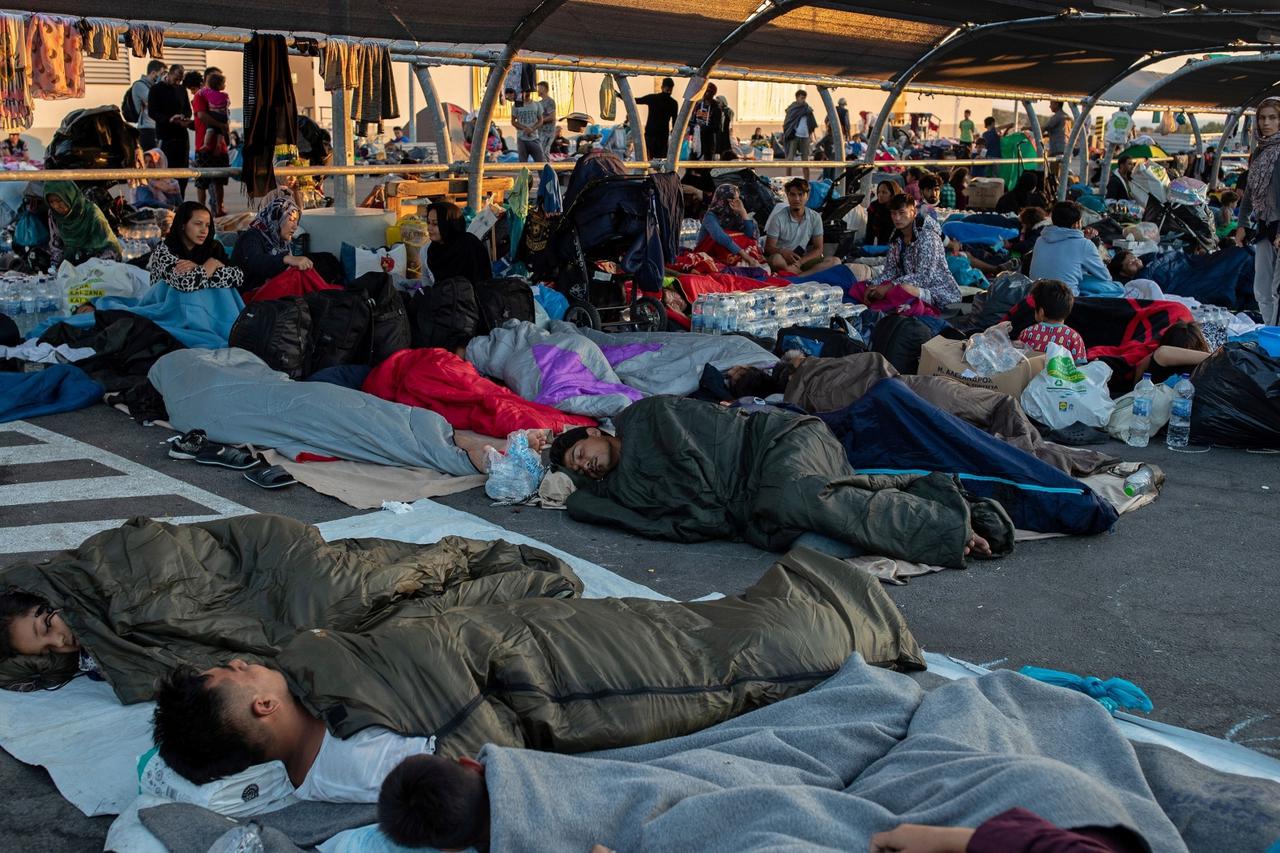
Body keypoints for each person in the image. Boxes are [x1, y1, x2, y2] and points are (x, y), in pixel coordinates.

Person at [150, 547, 922, 794]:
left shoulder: (320, 685)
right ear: (257, 712)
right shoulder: (367, 758)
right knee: (748, 644)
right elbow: (492, 752)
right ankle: (848, 609)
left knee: (688, 621)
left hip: (537, 631)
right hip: (563, 667)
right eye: (235, 672)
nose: (246, 659)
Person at [550, 397, 1008, 567]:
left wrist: (715, 504)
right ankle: (942, 499)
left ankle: (947, 529)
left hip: (775, 446)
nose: (584, 466)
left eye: (580, 455)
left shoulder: (646, 417)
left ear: (595, 431)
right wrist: (573, 489)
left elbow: (701, 459)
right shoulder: (620, 490)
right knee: (817, 543)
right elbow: (675, 522)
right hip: (755, 505)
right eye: (577, 470)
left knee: (802, 497)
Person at [864, 193, 961, 311]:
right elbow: (891, 271)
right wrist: (873, 285)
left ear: (913, 212)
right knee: (864, 288)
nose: (897, 218)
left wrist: (889, 286)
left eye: (902, 213)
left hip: (939, 292)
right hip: (908, 284)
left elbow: (924, 277)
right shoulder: (896, 239)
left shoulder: (928, 237)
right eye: (893, 213)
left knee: (901, 290)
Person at [1234, 96, 1280, 326]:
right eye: (1262, 117)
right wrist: (1242, 224)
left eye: (1272, 117)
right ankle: (1272, 335)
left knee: (1278, 289)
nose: (1266, 123)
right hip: (1264, 227)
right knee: (1261, 288)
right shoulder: (1259, 152)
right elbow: (1250, 192)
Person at [1029, 201, 1121, 296]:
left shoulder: (1040, 240)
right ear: (1076, 224)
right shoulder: (1084, 245)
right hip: (1064, 301)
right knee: (1117, 288)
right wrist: (1091, 244)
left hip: (1036, 295)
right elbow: (1105, 277)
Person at [148, 201, 244, 292]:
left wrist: (201, 267)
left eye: (207, 225)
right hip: (166, 305)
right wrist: (211, 266)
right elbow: (185, 284)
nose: (204, 230)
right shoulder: (164, 250)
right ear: (182, 225)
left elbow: (238, 277)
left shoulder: (213, 247)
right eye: (198, 224)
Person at [230, 192, 313, 291]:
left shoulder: (280, 241)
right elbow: (256, 262)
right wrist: (286, 259)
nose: (295, 227)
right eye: (291, 219)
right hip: (249, 296)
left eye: (297, 221)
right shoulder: (251, 237)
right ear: (277, 219)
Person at [764, 178, 839, 275]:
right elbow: (768, 247)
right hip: (783, 259)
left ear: (807, 196)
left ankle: (801, 276)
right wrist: (783, 252)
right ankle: (805, 275)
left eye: (801, 194)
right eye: (793, 195)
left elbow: (818, 248)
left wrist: (800, 262)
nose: (797, 199)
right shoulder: (778, 218)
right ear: (787, 195)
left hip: (801, 259)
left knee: (835, 261)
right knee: (776, 260)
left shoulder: (815, 217)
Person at [43, 181, 122, 267]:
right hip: (72, 260)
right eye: (51, 202)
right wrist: (57, 266)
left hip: (98, 259)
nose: (56, 206)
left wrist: (88, 265)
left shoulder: (91, 212)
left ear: (69, 196)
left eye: (59, 201)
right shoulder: (54, 215)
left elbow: (107, 246)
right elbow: (56, 245)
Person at [148, 63, 193, 198]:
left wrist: (183, 118)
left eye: (180, 80)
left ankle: (181, 199)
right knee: (167, 169)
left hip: (181, 135)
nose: (177, 82)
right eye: (176, 79)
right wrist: (168, 119)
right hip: (165, 135)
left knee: (183, 170)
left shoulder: (181, 90)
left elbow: (187, 110)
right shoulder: (156, 89)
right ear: (169, 74)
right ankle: (168, 200)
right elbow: (152, 112)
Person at [1015, 279, 1087, 362]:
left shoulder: (1027, 333)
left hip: (1032, 373)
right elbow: (1079, 367)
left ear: (1041, 312)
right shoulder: (1074, 337)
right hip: (1059, 374)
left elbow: (1018, 358)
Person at [425, 201, 492, 287]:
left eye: (435, 224)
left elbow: (481, 282)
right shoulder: (433, 250)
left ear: (449, 224)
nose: (429, 228)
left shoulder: (468, 245)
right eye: (428, 222)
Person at [192, 70, 230, 216]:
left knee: (219, 181)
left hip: (220, 147)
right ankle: (200, 209)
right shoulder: (201, 95)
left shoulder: (219, 96)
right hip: (203, 146)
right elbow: (201, 115)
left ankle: (219, 209)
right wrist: (221, 125)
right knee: (202, 181)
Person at [696, 185, 759, 263]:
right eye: (734, 200)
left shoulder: (735, 214)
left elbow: (749, 235)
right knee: (724, 237)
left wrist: (743, 212)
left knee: (747, 238)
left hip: (731, 252)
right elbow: (720, 237)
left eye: (738, 199)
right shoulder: (710, 216)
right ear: (724, 200)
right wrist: (746, 257)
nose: (737, 203)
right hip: (707, 252)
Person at [635, 77, 678, 160]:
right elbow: (675, 122)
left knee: (647, 160)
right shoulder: (673, 103)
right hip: (662, 136)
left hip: (651, 134)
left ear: (662, 87)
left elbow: (636, 100)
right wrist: (674, 134)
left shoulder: (653, 98)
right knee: (660, 161)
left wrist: (619, 95)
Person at [129, 60, 166, 151]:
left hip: (157, 128)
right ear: (153, 73)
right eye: (161, 74)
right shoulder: (139, 85)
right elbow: (154, 101)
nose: (163, 77)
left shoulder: (154, 87)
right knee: (150, 161)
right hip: (147, 129)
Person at [782, 90, 817, 179]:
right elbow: (787, 122)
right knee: (790, 160)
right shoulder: (792, 108)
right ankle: (788, 179)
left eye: (804, 98)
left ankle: (807, 181)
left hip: (805, 137)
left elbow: (811, 122)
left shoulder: (807, 108)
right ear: (797, 98)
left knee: (805, 161)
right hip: (795, 136)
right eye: (802, 98)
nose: (803, 100)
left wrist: (811, 134)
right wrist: (789, 132)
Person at [508, 87, 545, 164]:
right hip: (522, 138)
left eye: (528, 91)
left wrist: (532, 129)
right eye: (524, 91)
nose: (526, 93)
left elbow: (541, 120)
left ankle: (542, 176)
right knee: (523, 165)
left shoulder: (537, 104)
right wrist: (524, 128)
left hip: (534, 138)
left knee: (540, 163)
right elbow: (513, 121)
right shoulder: (516, 105)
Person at [690, 83, 724, 161]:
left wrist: (703, 128)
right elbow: (692, 120)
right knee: (693, 163)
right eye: (704, 91)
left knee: (706, 164)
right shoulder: (698, 104)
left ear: (712, 93)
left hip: (708, 141)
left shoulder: (716, 108)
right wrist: (693, 129)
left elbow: (717, 127)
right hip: (696, 139)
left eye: (708, 91)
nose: (705, 93)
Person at [865, 179, 898, 245]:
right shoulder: (873, 206)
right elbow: (869, 230)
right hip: (878, 243)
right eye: (879, 192)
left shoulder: (897, 208)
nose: (880, 195)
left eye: (884, 192)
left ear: (892, 194)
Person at [536, 80, 557, 157]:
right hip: (540, 132)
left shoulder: (550, 101)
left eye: (539, 88)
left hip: (548, 133)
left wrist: (540, 121)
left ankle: (547, 168)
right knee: (540, 153)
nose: (537, 90)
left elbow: (552, 117)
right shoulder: (539, 103)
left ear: (544, 89)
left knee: (544, 152)